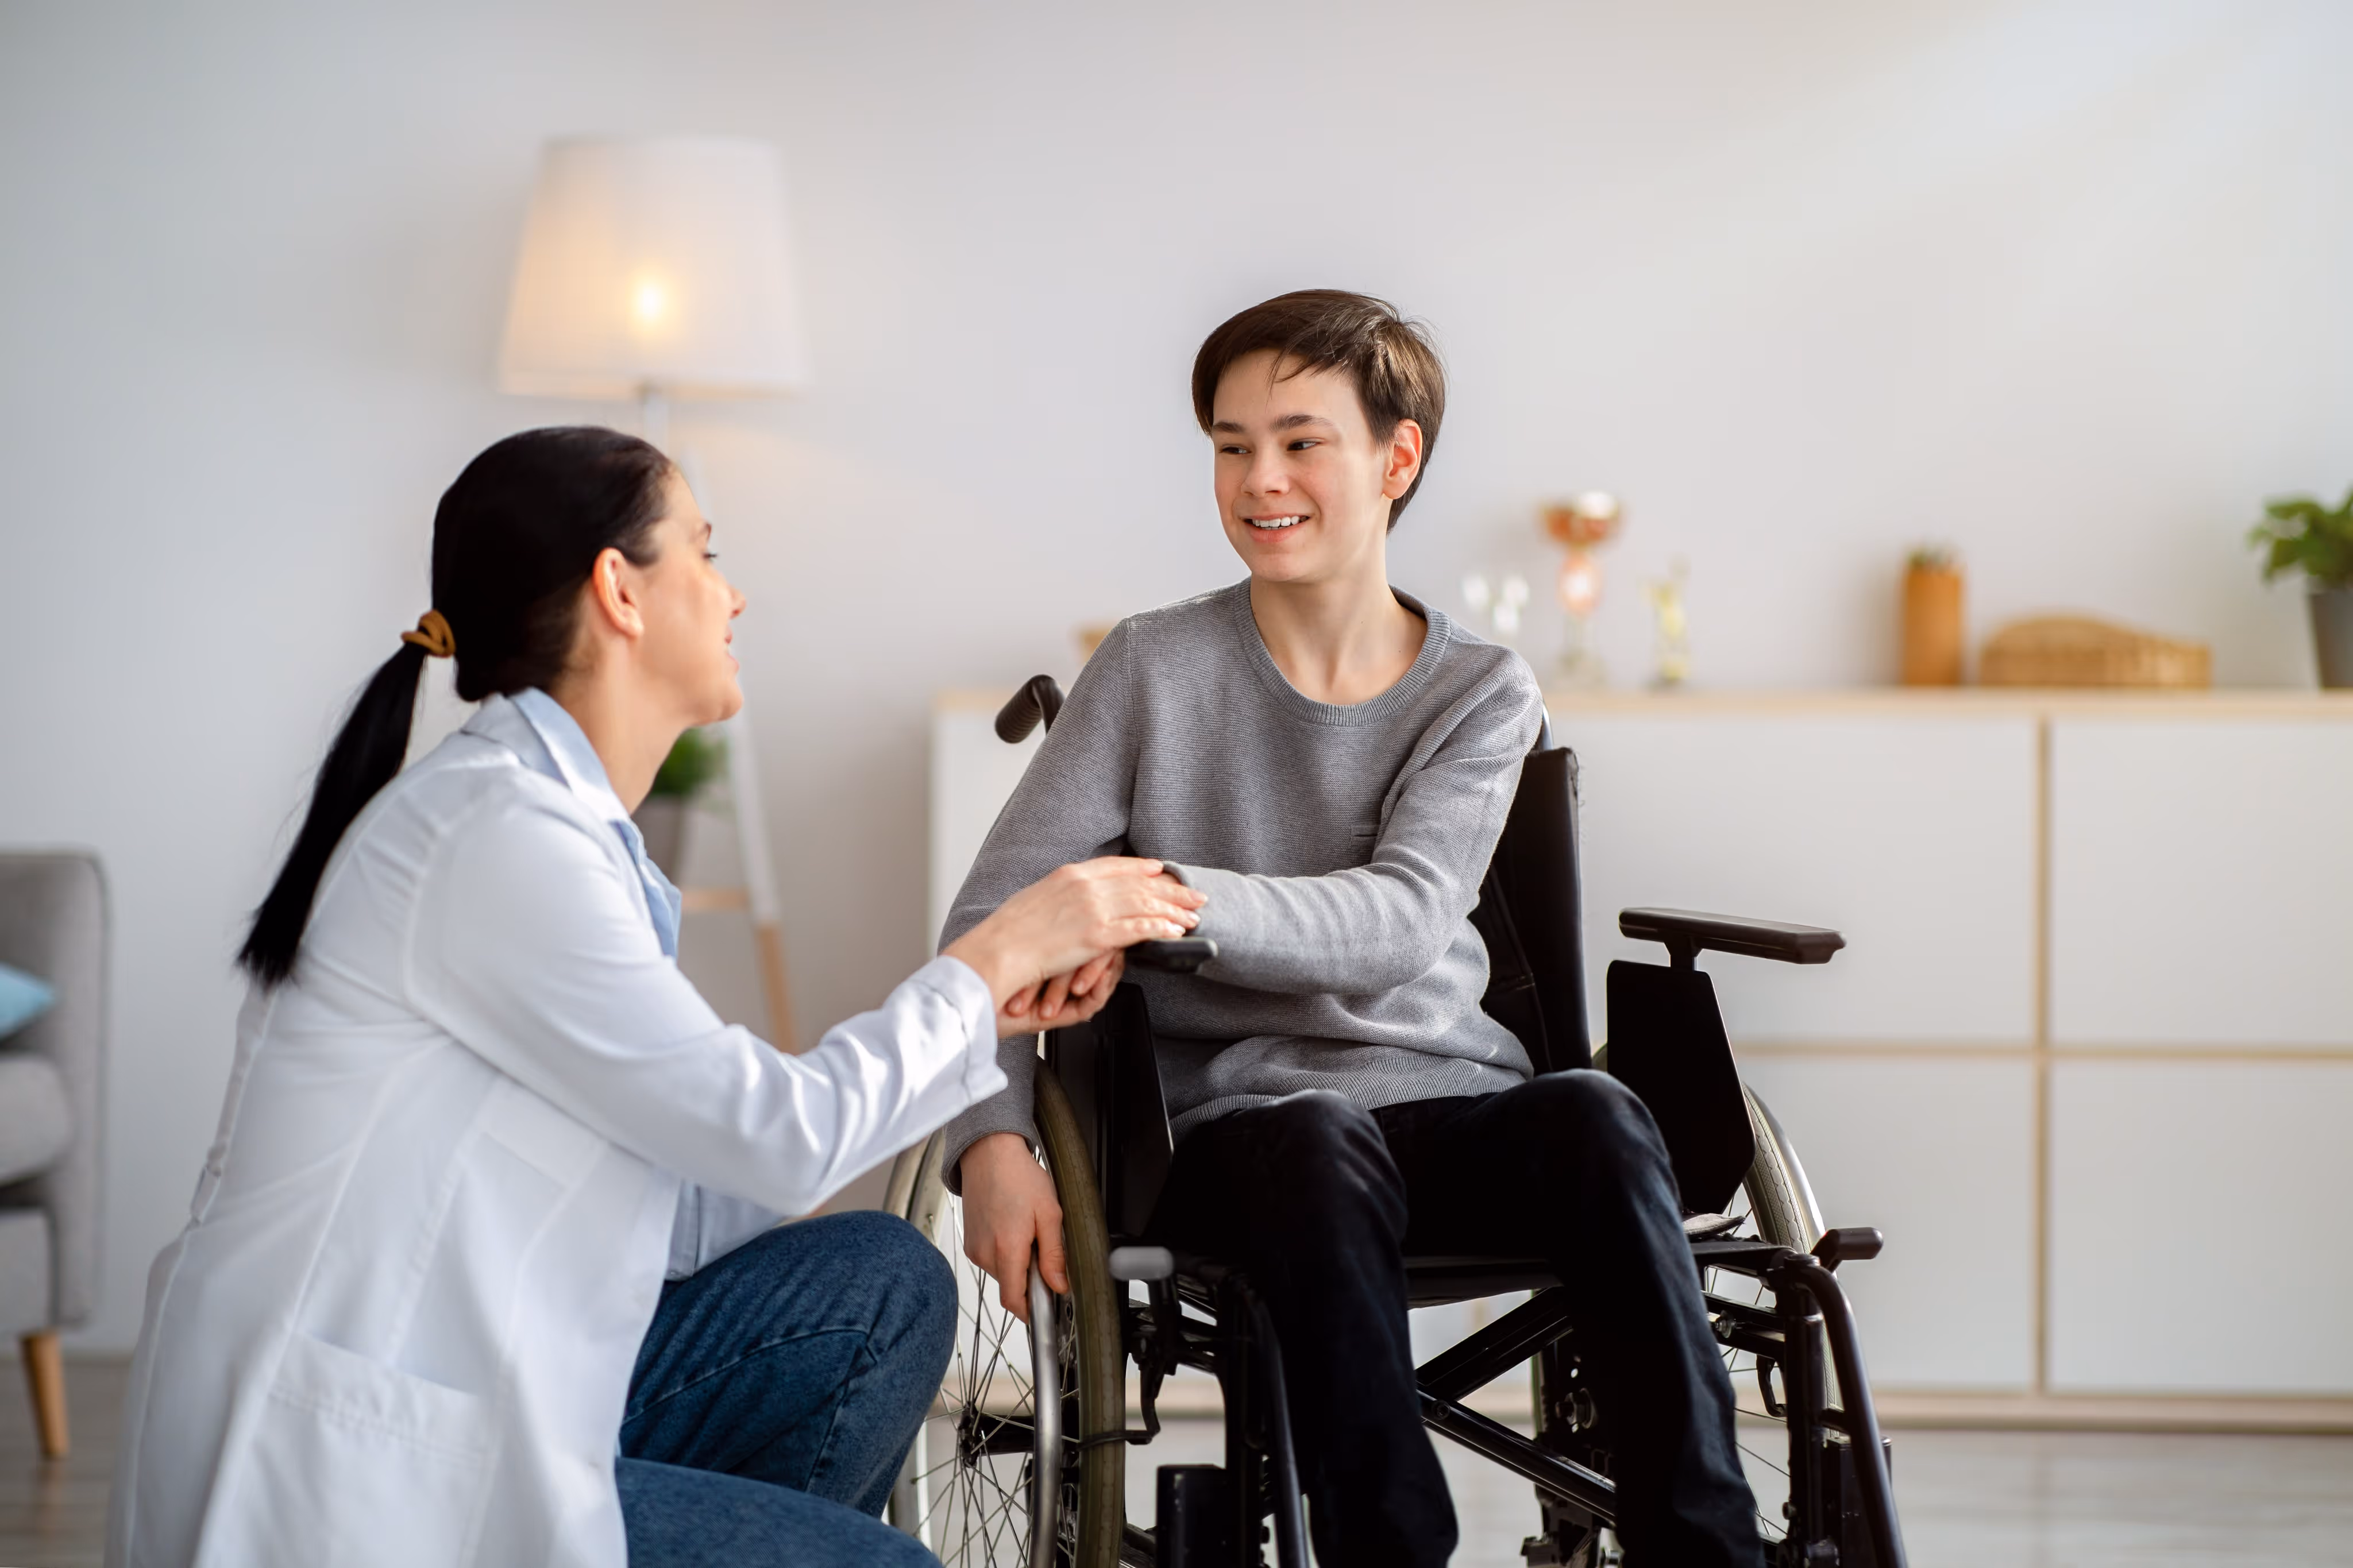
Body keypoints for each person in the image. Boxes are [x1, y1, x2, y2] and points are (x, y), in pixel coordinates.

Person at [106, 427, 1206, 1568]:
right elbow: (768, 1139)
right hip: (351, 1476)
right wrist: (989, 956)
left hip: (482, 1388)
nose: (733, 597)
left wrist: (977, 1012)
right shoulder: (499, 841)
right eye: (705, 553)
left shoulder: (552, 829)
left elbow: (685, 1205)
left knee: (881, 1284)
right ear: (618, 590)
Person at [939, 291, 1765, 1566]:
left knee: (1601, 1115)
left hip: (1448, 1111)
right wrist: (993, 1138)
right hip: (1237, 1133)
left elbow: (1394, 925)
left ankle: (1706, 1551)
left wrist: (1156, 896)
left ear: (1396, 456)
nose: (1257, 479)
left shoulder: (1479, 689)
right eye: (1229, 445)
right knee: (1318, 1141)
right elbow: (994, 923)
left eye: (1296, 441)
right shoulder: (1150, 669)